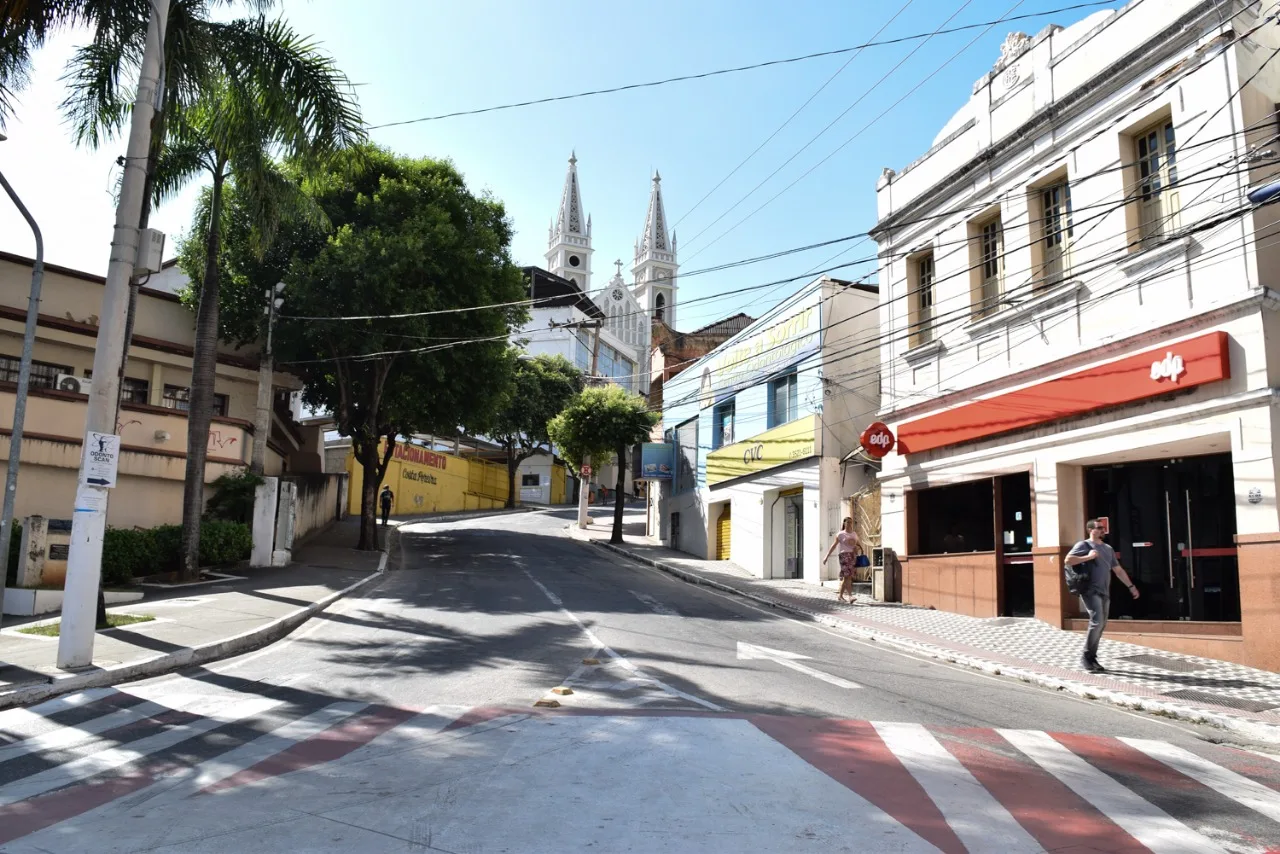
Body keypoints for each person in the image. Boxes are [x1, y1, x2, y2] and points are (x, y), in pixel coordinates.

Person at [1065, 519, 1139, 673]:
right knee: (1097, 621)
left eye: (1103, 528)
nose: (1102, 530)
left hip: (1105, 591)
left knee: (1101, 624)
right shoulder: (1083, 545)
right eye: (1099, 528)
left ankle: (1091, 657)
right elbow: (1068, 560)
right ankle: (1086, 657)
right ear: (1090, 530)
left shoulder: (1108, 548)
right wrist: (1089, 557)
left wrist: (1131, 587)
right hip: (1090, 590)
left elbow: (1118, 570)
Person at [822, 517, 860, 604]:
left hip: (852, 556)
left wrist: (858, 549)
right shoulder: (840, 534)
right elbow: (834, 545)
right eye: (848, 522)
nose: (850, 524)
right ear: (844, 523)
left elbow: (857, 544)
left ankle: (840, 595)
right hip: (844, 556)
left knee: (847, 577)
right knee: (848, 576)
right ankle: (850, 596)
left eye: (851, 522)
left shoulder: (854, 534)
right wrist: (826, 556)